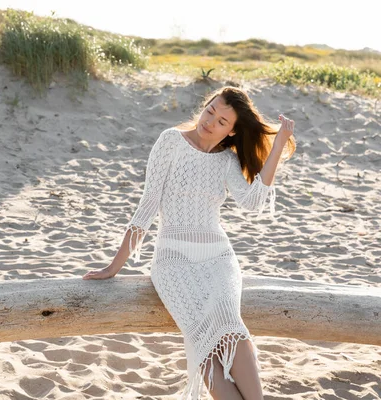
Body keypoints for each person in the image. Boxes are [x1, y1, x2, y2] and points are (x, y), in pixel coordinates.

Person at [82, 86, 296, 400]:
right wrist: (114, 267)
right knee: (204, 345)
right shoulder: (171, 141)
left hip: (219, 259)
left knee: (229, 327)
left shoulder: (226, 160)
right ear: (205, 105)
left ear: (232, 130)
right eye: (211, 111)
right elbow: (147, 207)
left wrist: (277, 147)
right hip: (172, 261)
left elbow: (252, 202)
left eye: (222, 121)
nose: (210, 121)